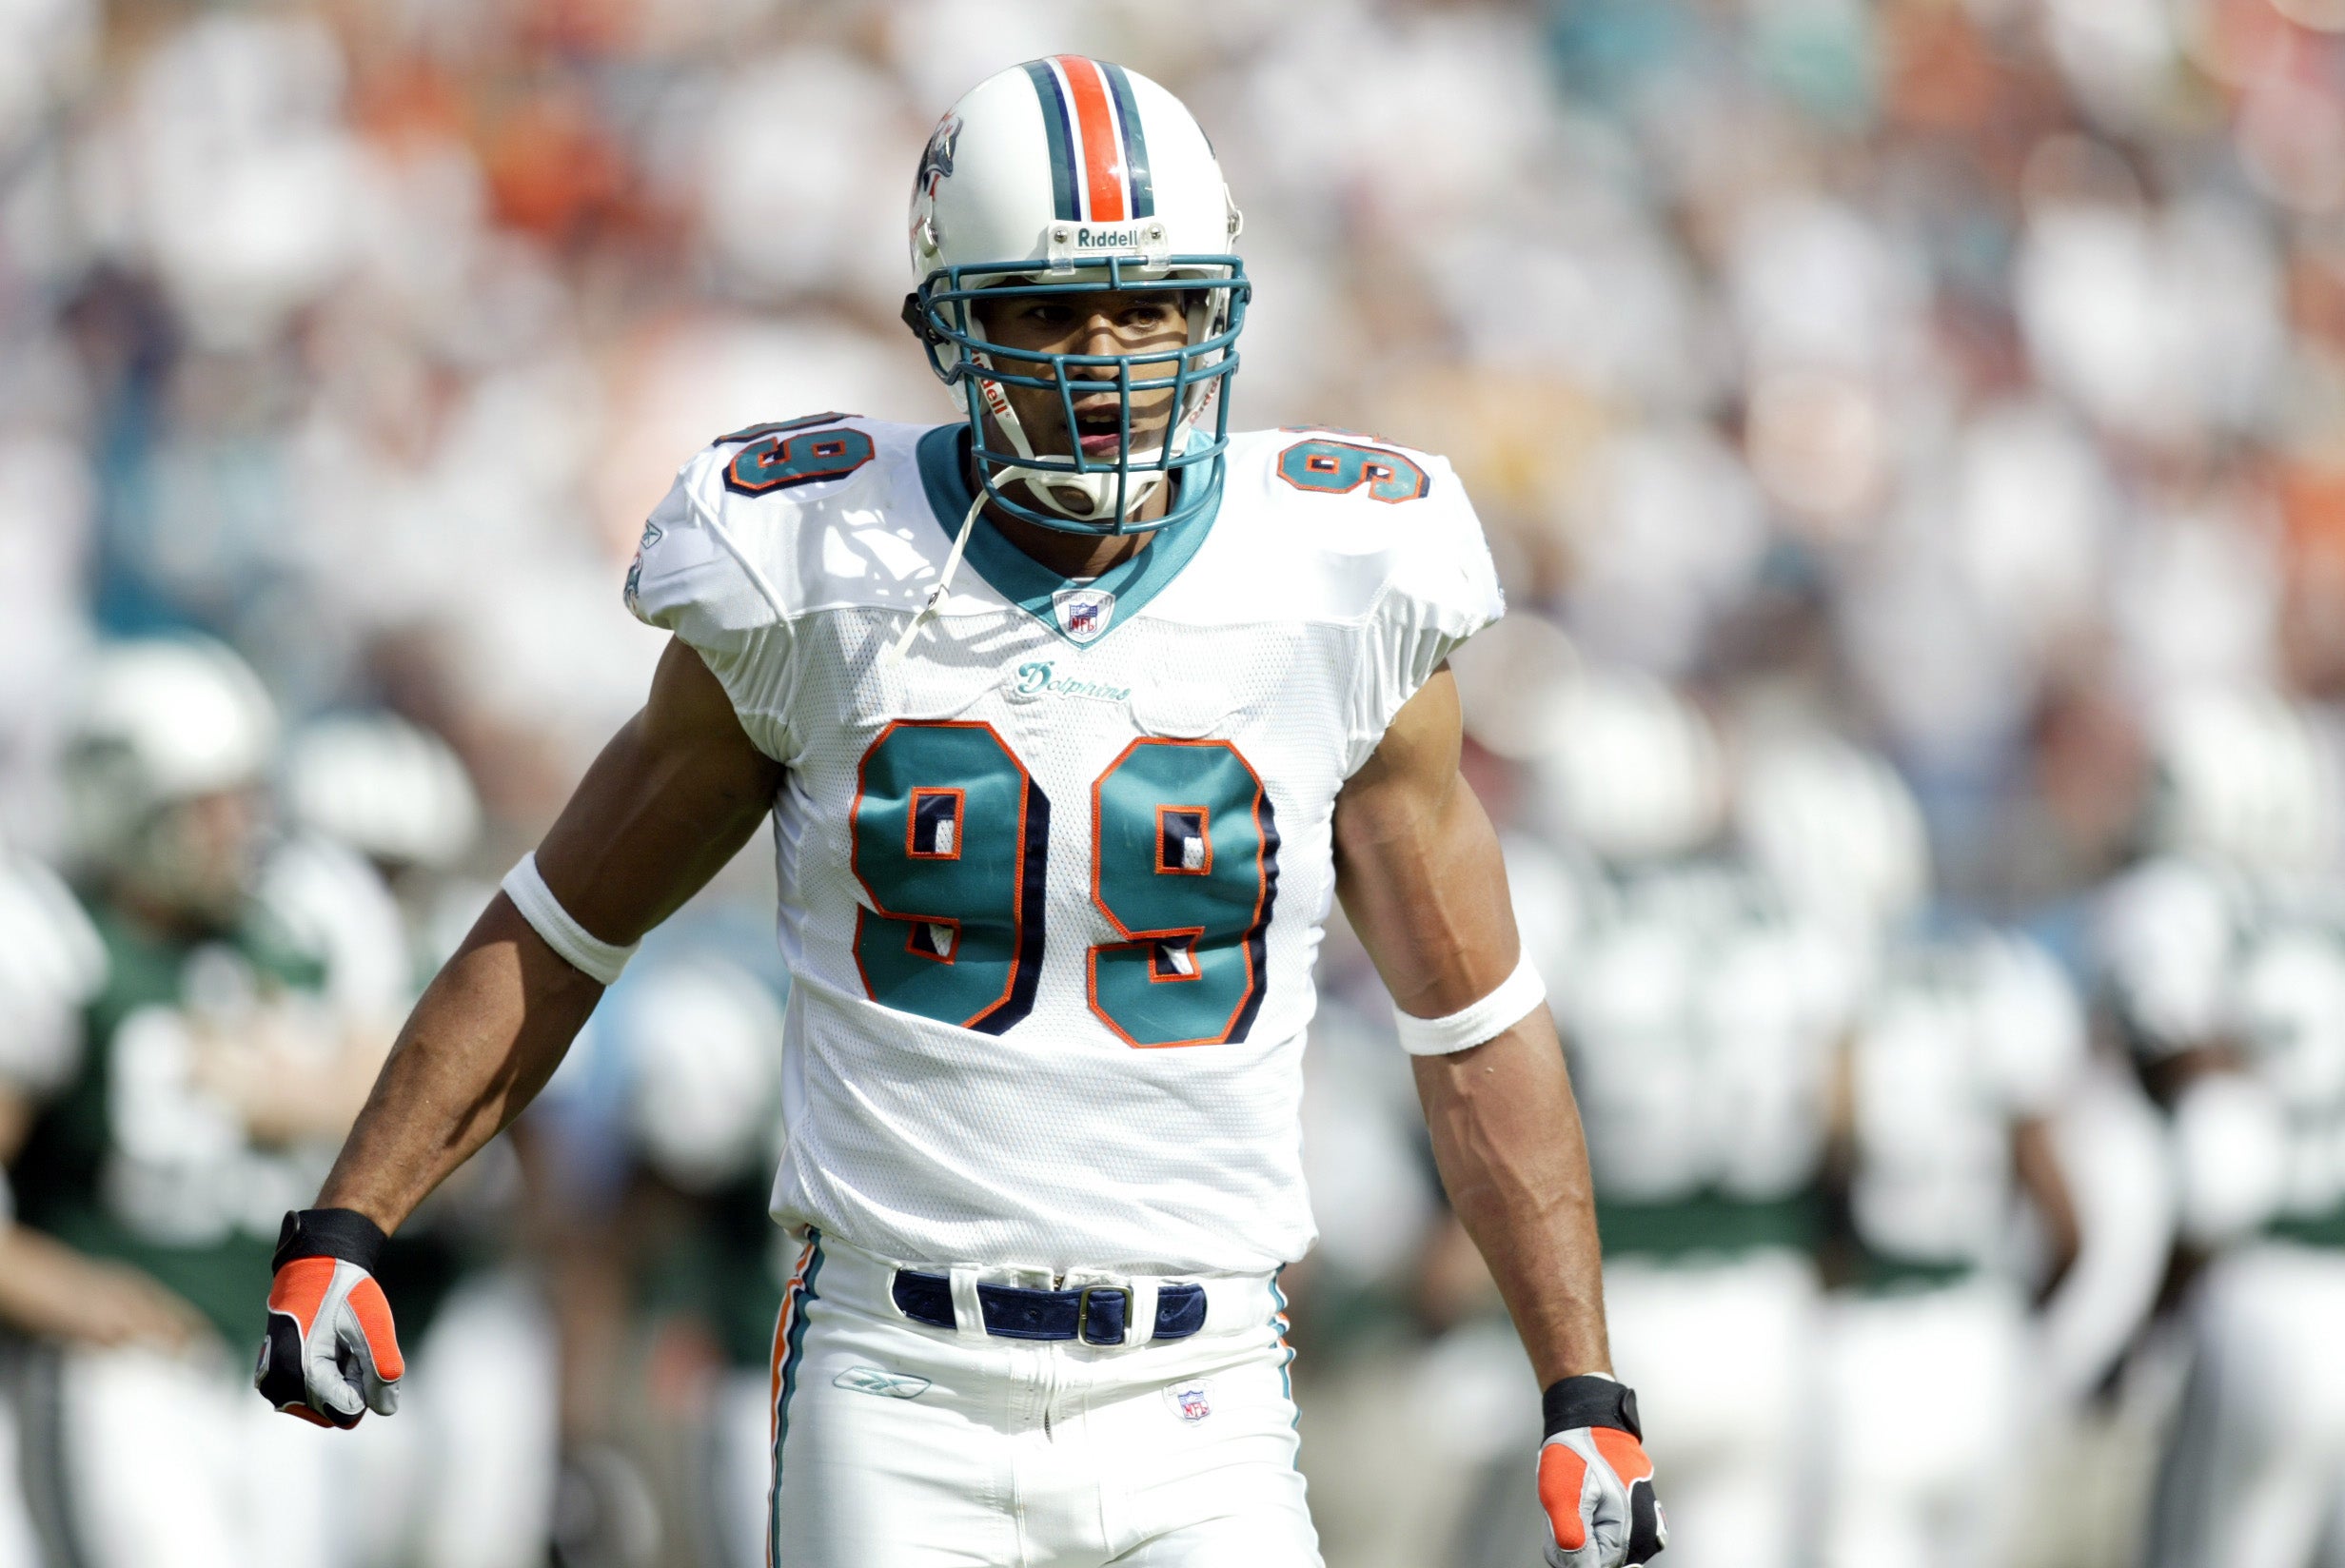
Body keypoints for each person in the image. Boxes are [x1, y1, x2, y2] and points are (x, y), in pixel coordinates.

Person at [253, 58, 1665, 1568]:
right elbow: (564, 926)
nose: (1105, 355)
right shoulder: (821, 562)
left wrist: (1581, 1382)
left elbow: (1473, 1025)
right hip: (895, 1378)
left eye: (1153, 306)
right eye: (1044, 311)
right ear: (949, 324)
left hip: (1207, 1391)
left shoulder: (1340, 580)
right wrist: (351, 1221)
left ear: (1219, 312)